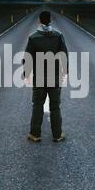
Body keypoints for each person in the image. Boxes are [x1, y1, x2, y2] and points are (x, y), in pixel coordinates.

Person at [24, 11, 68, 143]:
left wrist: (26, 74)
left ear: (39, 20)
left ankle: (35, 134)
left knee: (37, 105)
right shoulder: (58, 35)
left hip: (39, 78)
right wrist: (65, 71)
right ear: (50, 20)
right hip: (54, 77)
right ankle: (57, 135)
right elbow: (64, 55)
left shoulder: (33, 37)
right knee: (55, 107)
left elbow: (28, 58)